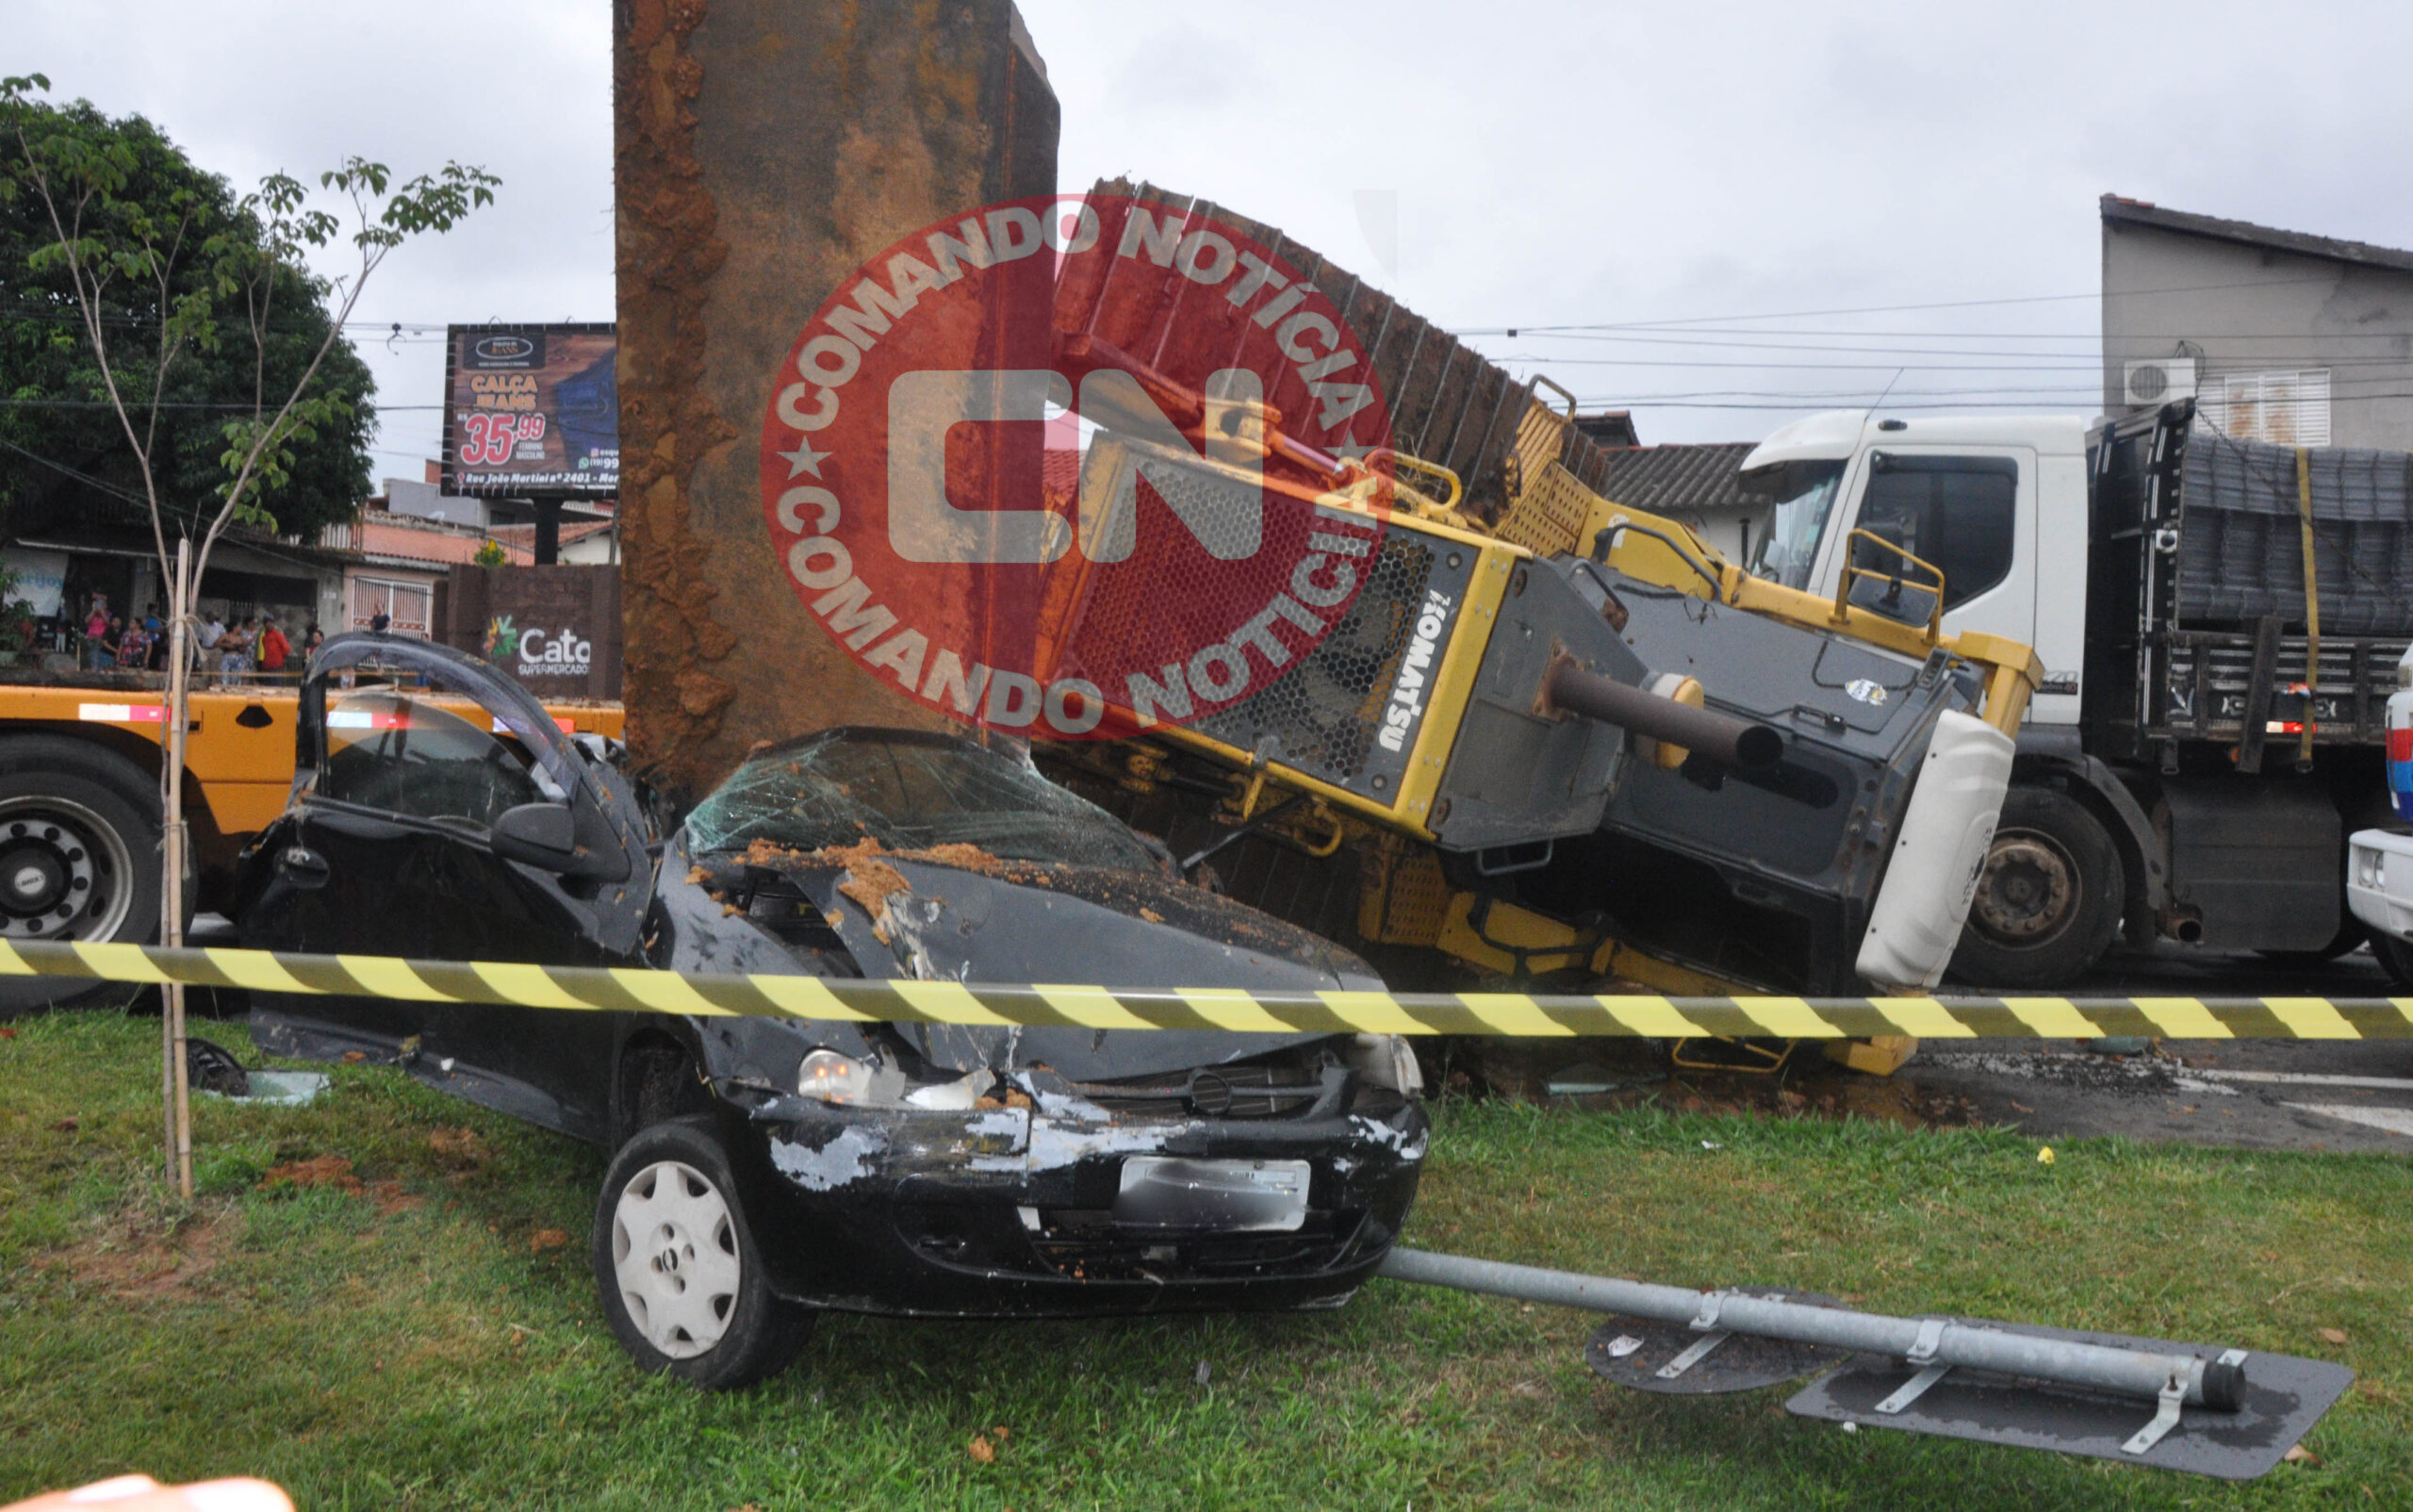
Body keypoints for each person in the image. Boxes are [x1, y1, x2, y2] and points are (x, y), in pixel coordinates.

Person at [257, 616, 290, 680]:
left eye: (271, 622)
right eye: (267, 623)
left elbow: (287, 649)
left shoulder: (278, 635)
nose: (269, 624)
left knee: (275, 685)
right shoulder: (264, 637)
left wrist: (279, 657)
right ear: (264, 624)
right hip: (266, 665)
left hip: (276, 665)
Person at [82, 596, 110, 670]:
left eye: (102, 604)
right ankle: (94, 670)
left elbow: (108, 622)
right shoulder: (92, 614)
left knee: (98, 658)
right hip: (92, 638)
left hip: (102, 639)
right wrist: (94, 611)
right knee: (93, 656)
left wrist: (102, 612)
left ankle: (97, 670)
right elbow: (86, 621)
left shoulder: (107, 614)